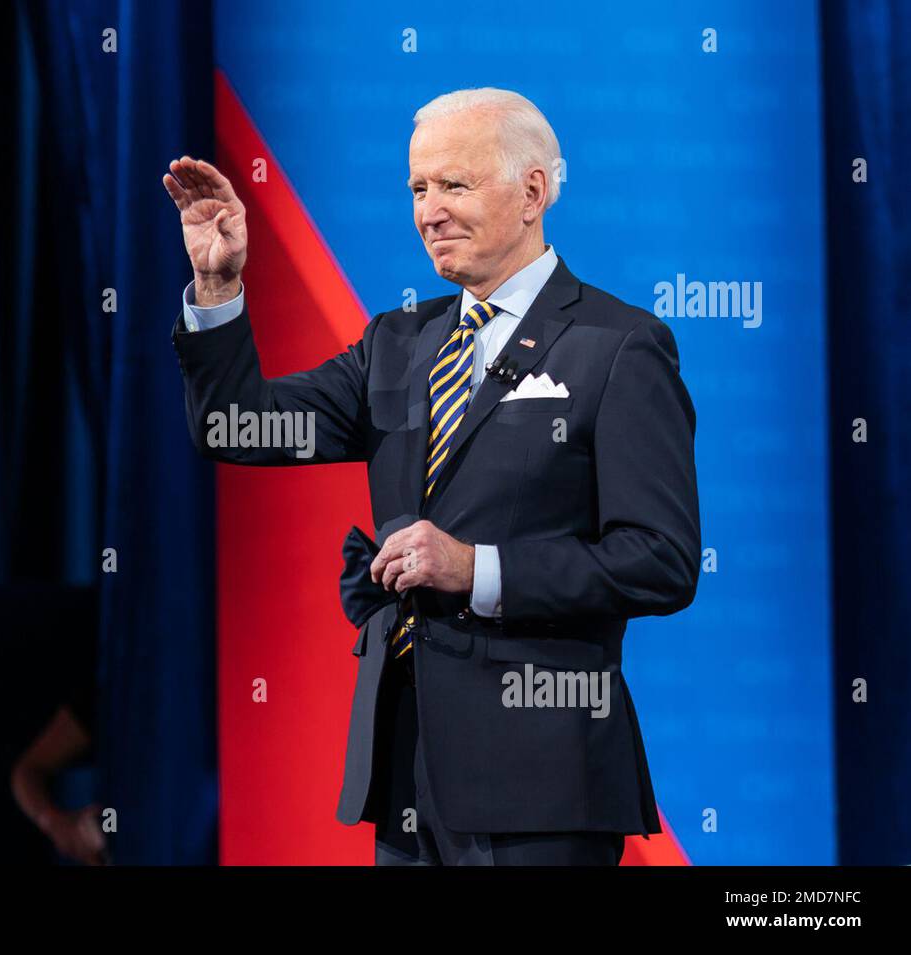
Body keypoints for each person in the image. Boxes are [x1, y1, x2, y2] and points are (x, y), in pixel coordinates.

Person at [164, 88, 701, 865]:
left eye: (454, 185)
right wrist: (217, 287)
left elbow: (662, 560)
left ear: (532, 193)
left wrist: (475, 568)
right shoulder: (398, 343)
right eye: (418, 189)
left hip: (543, 788)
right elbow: (235, 426)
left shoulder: (618, 347)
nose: (429, 211)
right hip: (407, 776)